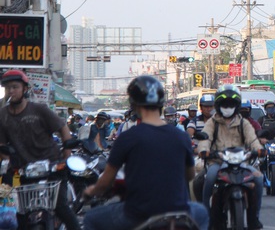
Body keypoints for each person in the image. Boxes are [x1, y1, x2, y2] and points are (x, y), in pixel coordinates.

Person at [83, 75, 208, 230]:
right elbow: (189, 175)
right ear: (161, 103)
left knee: (90, 218)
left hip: (136, 214)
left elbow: (105, 182)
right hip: (178, 212)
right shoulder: (181, 136)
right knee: (202, 212)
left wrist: (90, 191)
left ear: (134, 104)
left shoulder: (128, 138)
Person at [0, 70, 81, 230]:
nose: (11, 91)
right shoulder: (2, 115)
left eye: (15, 87)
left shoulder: (39, 109)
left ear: (25, 89)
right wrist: (6, 166)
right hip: (24, 171)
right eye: (8, 88)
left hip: (52, 167)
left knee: (61, 208)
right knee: (20, 215)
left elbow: (63, 129)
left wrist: (66, 156)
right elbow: (2, 146)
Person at [197, 84, 264, 230]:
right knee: (208, 179)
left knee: (259, 179)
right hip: (218, 162)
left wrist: (259, 149)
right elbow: (205, 140)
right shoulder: (212, 122)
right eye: (225, 104)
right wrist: (204, 150)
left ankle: (254, 218)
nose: (228, 107)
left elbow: (252, 140)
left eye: (231, 104)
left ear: (237, 106)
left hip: (241, 162)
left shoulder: (243, 122)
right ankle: (207, 216)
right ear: (219, 105)